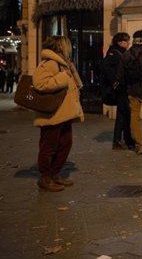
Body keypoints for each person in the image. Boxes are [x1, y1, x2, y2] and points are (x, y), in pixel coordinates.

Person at [32, 36, 84, 192]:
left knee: (65, 144)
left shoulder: (63, 64)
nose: (71, 48)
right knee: (49, 146)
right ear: (61, 47)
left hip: (64, 113)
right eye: (68, 45)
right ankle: (45, 177)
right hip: (52, 113)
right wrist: (63, 77)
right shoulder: (49, 63)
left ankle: (54, 173)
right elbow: (40, 84)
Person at [102, 32, 134, 150]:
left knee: (124, 113)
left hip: (122, 88)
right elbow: (108, 70)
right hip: (120, 89)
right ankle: (121, 140)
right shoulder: (114, 53)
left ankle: (124, 139)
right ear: (120, 42)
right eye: (127, 41)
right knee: (123, 114)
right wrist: (116, 82)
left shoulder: (120, 52)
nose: (129, 43)